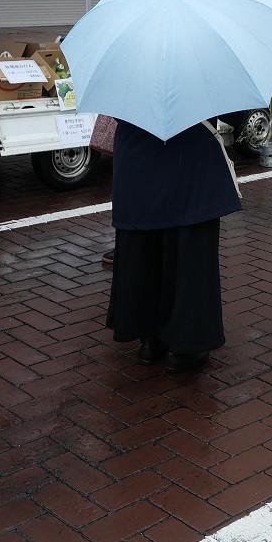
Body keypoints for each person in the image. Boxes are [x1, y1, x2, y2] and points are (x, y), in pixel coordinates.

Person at [107, 118, 241, 374]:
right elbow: (236, 113)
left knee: (143, 251)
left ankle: (149, 339)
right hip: (188, 158)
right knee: (190, 254)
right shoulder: (195, 86)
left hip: (136, 155)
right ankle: (185, 346)